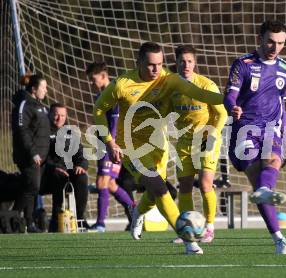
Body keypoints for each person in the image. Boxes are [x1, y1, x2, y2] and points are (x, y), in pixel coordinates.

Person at [94, 42, 223, 254]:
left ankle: (137, 212)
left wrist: (229, 100)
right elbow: (99, 110)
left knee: (154, 194)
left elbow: (201, 94)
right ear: (139, 62)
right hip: (132, 148)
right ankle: (189, 240)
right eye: (151, 65)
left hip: (159, 144)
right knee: (160, 189)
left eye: (160, 64)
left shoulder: (168, 80)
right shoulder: (122, 84)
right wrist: (109, 141)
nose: (156, 70)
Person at [223, 20, 286, 254]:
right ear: (261, 39)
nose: (275, 47)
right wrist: (233, 107)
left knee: (272, 164)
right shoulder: (242, 64)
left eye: (281, 43)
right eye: (271, 42)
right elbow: (229, 96)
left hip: (271, 129)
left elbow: (282, 107)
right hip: (244, 129)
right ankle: (278, 236)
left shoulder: (285, 68)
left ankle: (279, 239)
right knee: (259, 183)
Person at [170, 45, 228, 244]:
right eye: (182, 61)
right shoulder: (171, 87)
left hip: (207, 140)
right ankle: (187, 230)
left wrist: (213, 134)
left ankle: (209, 228)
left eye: (189, 61)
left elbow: (222, 113)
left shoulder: (206, 85)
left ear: (195, 63)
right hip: (184, 142)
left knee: (204, 184)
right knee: (184, 186)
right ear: (176, 62)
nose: (186, 65)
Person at [86, 62, 135, 232]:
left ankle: (100, 224)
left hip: (111, 145)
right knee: (112, 184)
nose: (92, 84)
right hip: (105, 144)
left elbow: (114, 122)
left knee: (102, 182)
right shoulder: (101, 95)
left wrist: (111, 146)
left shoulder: (113, 94)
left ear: (103, 76)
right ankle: (135, 211)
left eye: (94, 80)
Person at [39, 103, 90, 232]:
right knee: (59, 176)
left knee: (82, 177)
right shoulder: (42, 131)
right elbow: (41, 157)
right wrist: (53, 167)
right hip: (48, 174)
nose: (59, 118)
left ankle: (79, 219)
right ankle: (56, 221)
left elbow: (81, 154)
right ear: (50, 114)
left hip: (68, 171)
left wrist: (81, 165)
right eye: (56, 114)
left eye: (62, 115)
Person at [11, 73, 50, 233]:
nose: (46, 91)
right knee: (32, 186)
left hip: (40, 157)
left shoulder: (37, 104)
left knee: (32, 187)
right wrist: (33, 153)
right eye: (43, 87)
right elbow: (22, 131)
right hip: (29, 157)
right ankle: (16, 218)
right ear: (34, 89)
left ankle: (25, 221)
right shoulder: (24, 104)